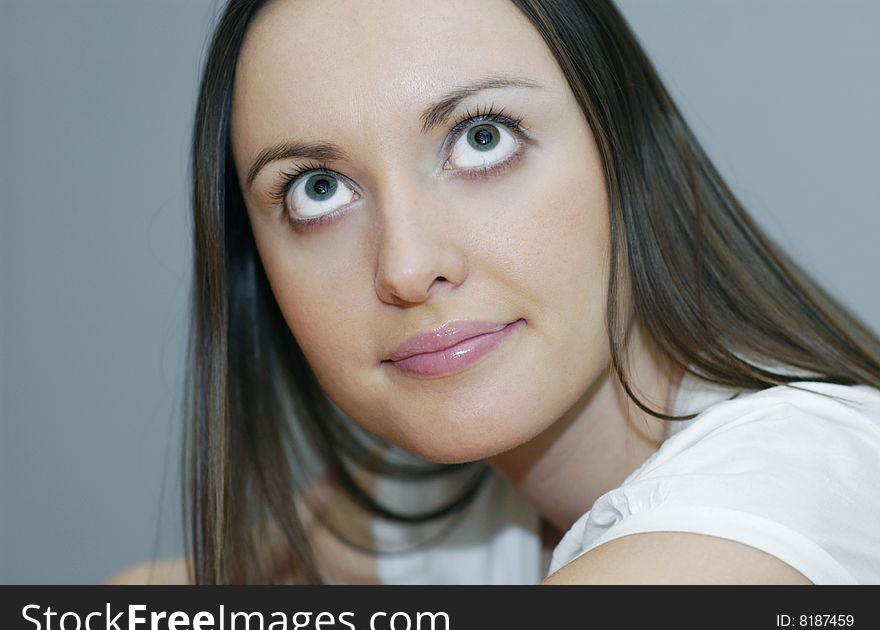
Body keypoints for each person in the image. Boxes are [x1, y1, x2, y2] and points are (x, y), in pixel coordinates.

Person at [109, 0, 880, 585]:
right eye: (319, 190)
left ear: (627, 155)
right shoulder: (444, 505)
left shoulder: (765, 505)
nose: (408, 266)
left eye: (483, 137)